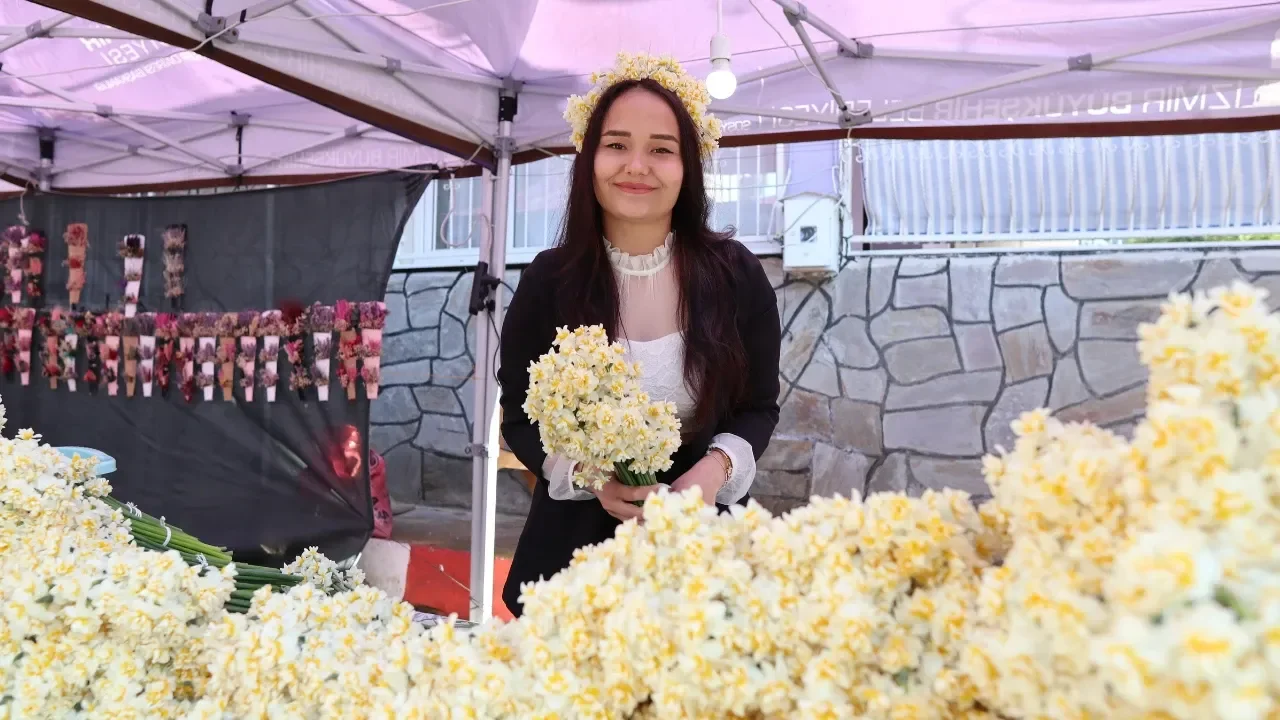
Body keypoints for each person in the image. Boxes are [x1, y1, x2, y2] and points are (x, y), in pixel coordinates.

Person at [497, 54, 782, 618]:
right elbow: (520, 418)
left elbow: (757, 408)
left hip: (702, 553)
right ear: (590, 158)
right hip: (574, 562)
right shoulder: (548, 281)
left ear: (687, 165)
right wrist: (591, 477)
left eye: (661, 148)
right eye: (617, 144)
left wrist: (711, 473)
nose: (637, 166)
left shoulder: (736, 274)